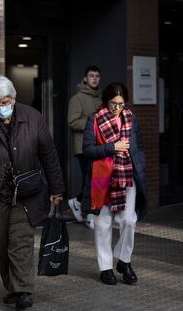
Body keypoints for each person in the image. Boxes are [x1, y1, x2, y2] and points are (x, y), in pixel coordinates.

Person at [0, 76, 65, 309]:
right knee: (4, 244)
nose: (1, 107)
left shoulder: (33, 118)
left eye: (5, 101)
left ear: (14, 98)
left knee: (20, 242)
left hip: (26, 194)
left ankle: (24, 290)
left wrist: (56, 188)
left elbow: (48, 155)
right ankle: (13, 288)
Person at [81, 82, 147, 285]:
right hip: (103, 179)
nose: (117, 108)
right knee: (104, 224)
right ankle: (106, 267)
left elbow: (139, 145)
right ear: (105, 101)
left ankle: (124, 260)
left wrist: (140, 164)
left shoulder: (131, 117)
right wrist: (112, 147)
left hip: (127, 176)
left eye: (121, 104)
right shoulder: (95, 118)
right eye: (113, 104)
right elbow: (88, 150)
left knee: (129, 221)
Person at [67, 66, 102, 227]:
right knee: (91, 180)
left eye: (97, 76)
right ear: (85, 79)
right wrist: (94, 124)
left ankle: (79, 202)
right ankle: (88, 213)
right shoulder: (77, 98)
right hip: (83, 147)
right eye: (91, 76)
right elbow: (72, 121)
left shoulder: (100, 98)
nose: (94, 79)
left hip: (98, 146)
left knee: (94, 180)